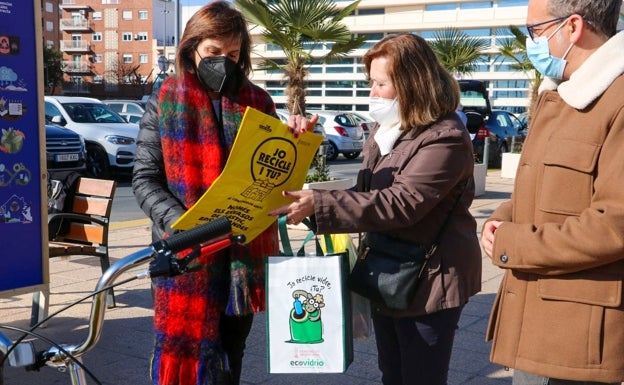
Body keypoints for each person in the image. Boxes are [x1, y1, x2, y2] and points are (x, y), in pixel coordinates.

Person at [270, 33, 482, 385]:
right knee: (392, 374)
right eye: (372, 82)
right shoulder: (387, 131)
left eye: (380, 83)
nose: (372, 92)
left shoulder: (445, 136)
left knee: (420, 376)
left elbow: (401, 202)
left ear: (412, 84)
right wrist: (308, 202)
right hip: (389, 269)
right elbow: (365, 193)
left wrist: (322, 204)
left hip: (431, 279)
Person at [132, 2, 309, 384]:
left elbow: (275, 170)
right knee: (186, 355)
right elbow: (144, 179)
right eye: (213, 53)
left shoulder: (258, 101)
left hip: (240, 258)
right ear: (191, 48)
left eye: (233, 54)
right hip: (187, 253)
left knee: (232, 354)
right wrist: (186, 225)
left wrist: (294, 137)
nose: (223, 62)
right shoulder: (163, 100)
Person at [480, 1, 624, 384]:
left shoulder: (618, 98)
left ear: (573, 27)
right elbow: (551, 192)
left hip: (576, 339)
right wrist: (502, 219)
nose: (532, 42)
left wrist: (514, 244)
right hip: (536, 326)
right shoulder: (561, 93)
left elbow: (614, 225)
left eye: (535, 31)